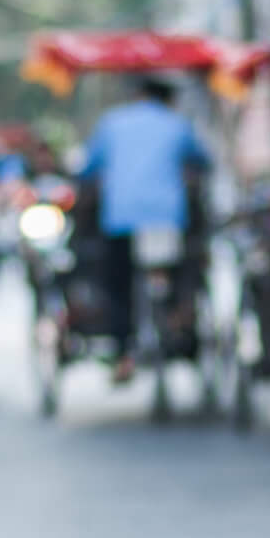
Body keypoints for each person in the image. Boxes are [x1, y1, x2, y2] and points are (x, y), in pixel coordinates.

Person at [76, 76, 209, 381]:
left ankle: (123, 353)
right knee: (175, 270)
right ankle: (176, 316)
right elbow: (202, 160)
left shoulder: (111, 122)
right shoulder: (177, 123)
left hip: (120, 219)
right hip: (166, 219)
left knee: (119, 285)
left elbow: (88, 167)